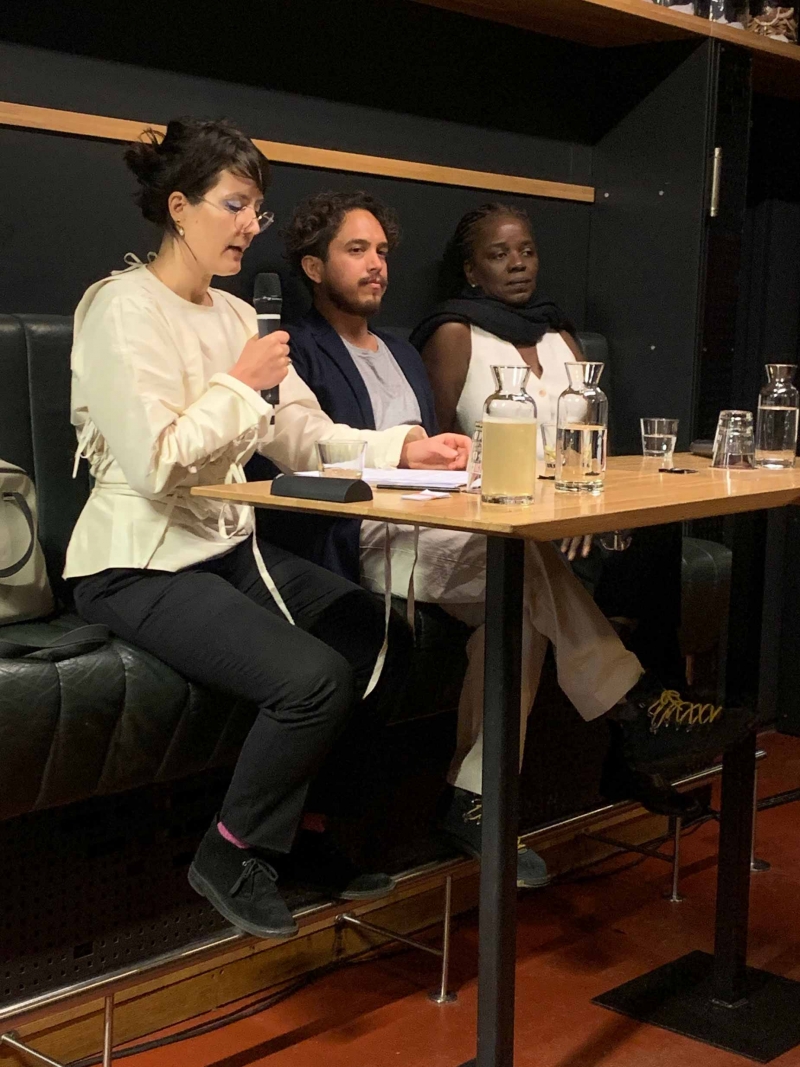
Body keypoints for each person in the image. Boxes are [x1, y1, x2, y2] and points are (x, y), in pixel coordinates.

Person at [65, 119, 471, 941]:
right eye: (237, 203)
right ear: (179, 207)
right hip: (137, 562)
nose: (254, 222)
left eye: (257, 205)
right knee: (312, 676)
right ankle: (228, 849)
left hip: (225, 546)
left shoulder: (230, 312)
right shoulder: (119, 309)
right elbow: (155, 463)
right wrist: (239, 384)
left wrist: (404, 446)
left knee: (377, 630)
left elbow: (299, 432)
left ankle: (312, 836)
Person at [278, 191, 737, 889]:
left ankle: (475, 799)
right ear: (313, 266)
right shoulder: (301, 351)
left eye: (382, 252)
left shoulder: (398, 349)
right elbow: (306, 455)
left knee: (517, 603)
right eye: (356, 251)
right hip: (364, 543)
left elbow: (436, 448)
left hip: (441, 530)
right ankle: (632, 703)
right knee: (523, 567)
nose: (376, 266)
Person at [412, 201, 685, 685]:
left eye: (527, 251)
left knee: (662, 534)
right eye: (499, 254)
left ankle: (653, 701)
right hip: (504, 515)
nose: (518, 263)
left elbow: (593, 442)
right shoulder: (454, 333)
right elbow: (437, 448)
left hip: (576, 512)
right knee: (571, 565)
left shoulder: (559, 333)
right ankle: (634, 701)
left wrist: (583, 509)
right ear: (472, 271)